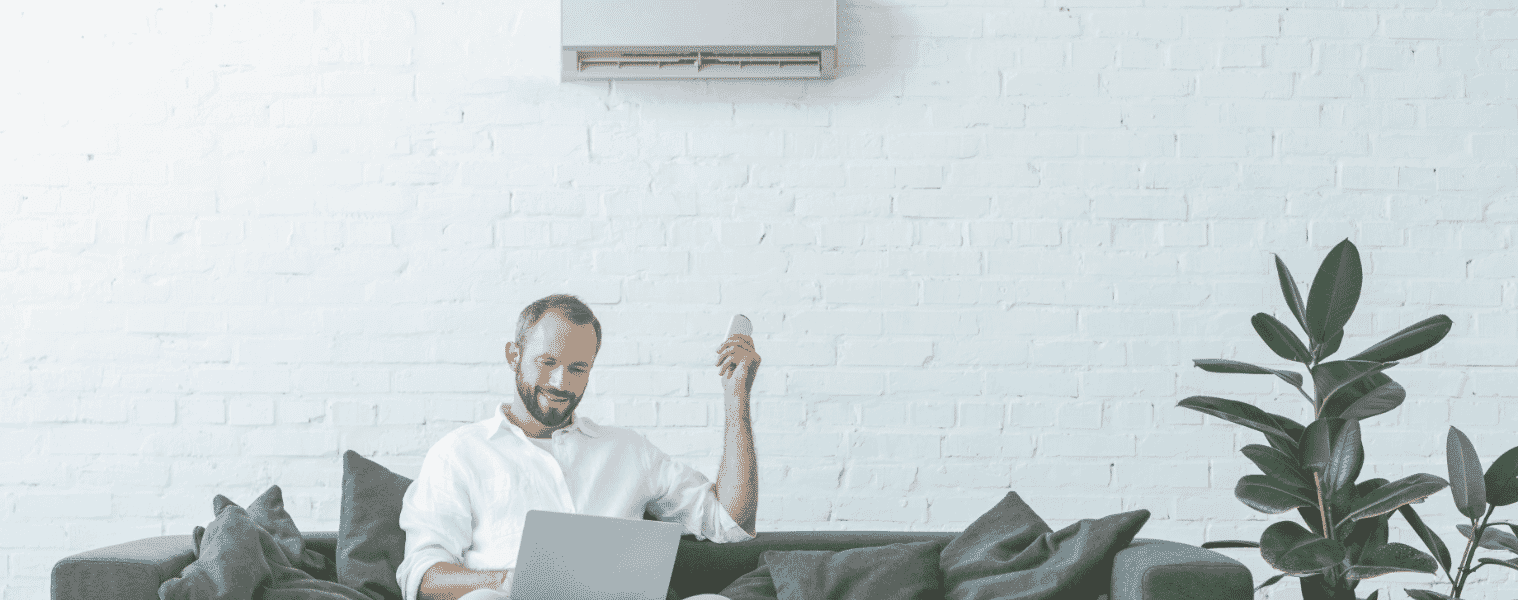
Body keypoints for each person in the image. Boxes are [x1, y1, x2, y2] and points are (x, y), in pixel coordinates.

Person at [396, 294, 760, 600]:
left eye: (577, 368)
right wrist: (505, 581)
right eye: (547, 362)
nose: (560, 381)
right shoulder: (460, 453)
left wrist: (736, 396)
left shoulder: (627, 450)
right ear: (513, 356)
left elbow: (729, 520)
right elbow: (423, 575)